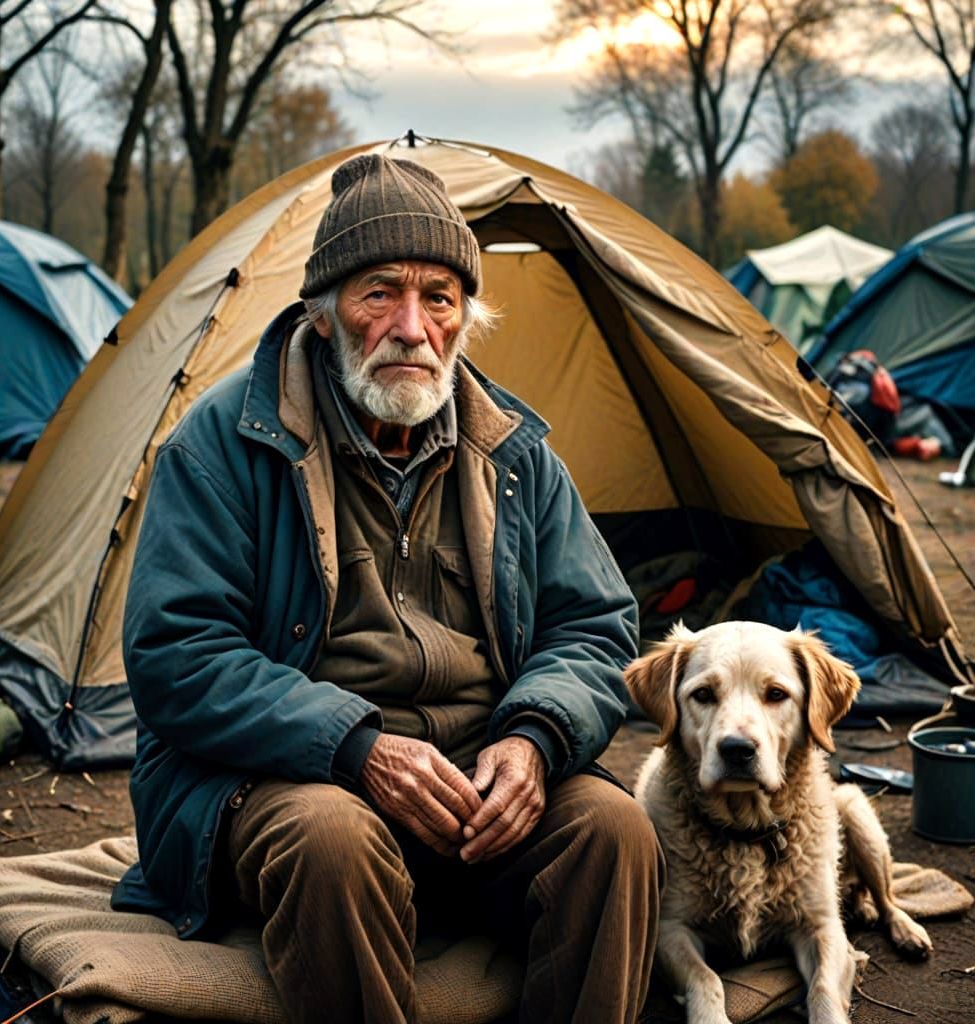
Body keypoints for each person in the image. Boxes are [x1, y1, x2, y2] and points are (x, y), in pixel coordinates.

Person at [113, 153, 663, 1024]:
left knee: (614, 832)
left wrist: (531, 739)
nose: (412, 327)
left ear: (465, 320)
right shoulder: (222, 445)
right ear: (323, 315)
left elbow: (593, 624)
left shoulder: (514, 452)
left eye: (439, 298)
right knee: (334, 841)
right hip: (287, 783)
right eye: (380, 293)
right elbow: (177, 655)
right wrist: (357, 747)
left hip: (472, 785)